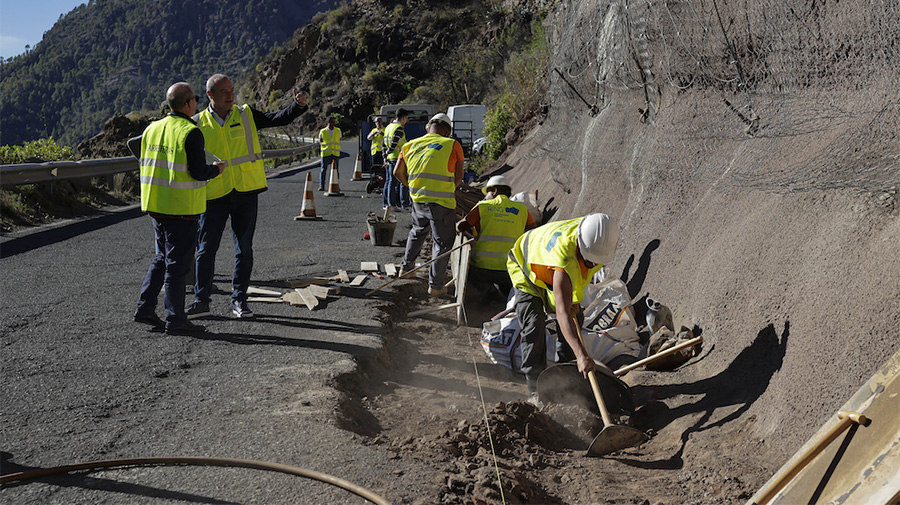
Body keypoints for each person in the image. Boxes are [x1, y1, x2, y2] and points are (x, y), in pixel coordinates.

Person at [187, 74, 308, 320]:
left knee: (244, 249)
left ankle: (239, 301)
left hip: (245, 191)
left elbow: (277, 118)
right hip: (213, 195)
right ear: (210, 96)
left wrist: (298, 106)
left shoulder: (246, 114)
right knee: (205, 250)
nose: (230, 95)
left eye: (232, 90)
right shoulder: (196, 123)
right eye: (224, 92)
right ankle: (201, 301)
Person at [133, 82, 225, 335]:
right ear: (188, 103)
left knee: (161, 259)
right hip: (181, 207)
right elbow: (197, 171)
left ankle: (146, 308)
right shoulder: (190, 131)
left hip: (156, 204)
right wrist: (216, 170)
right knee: (177, 265)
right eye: (194, 98)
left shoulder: (152, 128)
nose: (196, 102)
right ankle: (175, 318)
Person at [506, 213, 619, 402]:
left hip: (549, 263)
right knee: (534, 323)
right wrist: (582, 355)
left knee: (577, 318)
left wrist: (570, 297)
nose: (593, 264)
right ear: (581, 245)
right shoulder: (564, 259)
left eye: (596, 261)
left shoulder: (594, 236)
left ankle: (565, 376)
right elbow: (562, 313)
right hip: (524, 263)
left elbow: (577, 276)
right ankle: (535, 389)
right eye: (590, 261)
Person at [394, 113, 464, 296]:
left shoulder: (409, 145)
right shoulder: (452, 144)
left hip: (418, 199)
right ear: (448, 131)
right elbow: (459, 176)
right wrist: (447, 189)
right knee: (442, 243)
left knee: (417, 231)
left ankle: (406, 269)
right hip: (442, 202)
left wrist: (411, 186)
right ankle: (436, 286)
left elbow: (397, 172)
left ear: (428, 127)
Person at [456, 175, 536, 300]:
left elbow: (461, 226)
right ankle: (506, 296)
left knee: (467, 269)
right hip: (509, 268)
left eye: (486, 193)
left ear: (494, 191)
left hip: (481, 268)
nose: (485, 197)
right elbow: (533, 232)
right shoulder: (522, 210)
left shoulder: (482, 207)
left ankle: (488, 291)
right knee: (508, 288)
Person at [382, 108, 410, 211]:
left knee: (390, 182)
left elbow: (383, 144)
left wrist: (385, 156)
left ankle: (389, 204)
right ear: (403, 117)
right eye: (406, 118)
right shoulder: (398, 128)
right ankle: (398, 204)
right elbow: (394, 143)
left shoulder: (388, 127)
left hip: (390, 159)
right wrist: (389, 152)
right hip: (397, 158)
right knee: (400, 181)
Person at [318, 115, 341, 191]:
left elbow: (339, 139)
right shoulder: (323, 131)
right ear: (328, 122)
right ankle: (322, 185)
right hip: (325, 153)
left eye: (334, 122)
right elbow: (321, 140)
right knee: (323, 170)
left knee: (335, 171)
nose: (333, 123)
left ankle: (336, 185)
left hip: (335, 153)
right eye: (332, 122)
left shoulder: (338, 130)